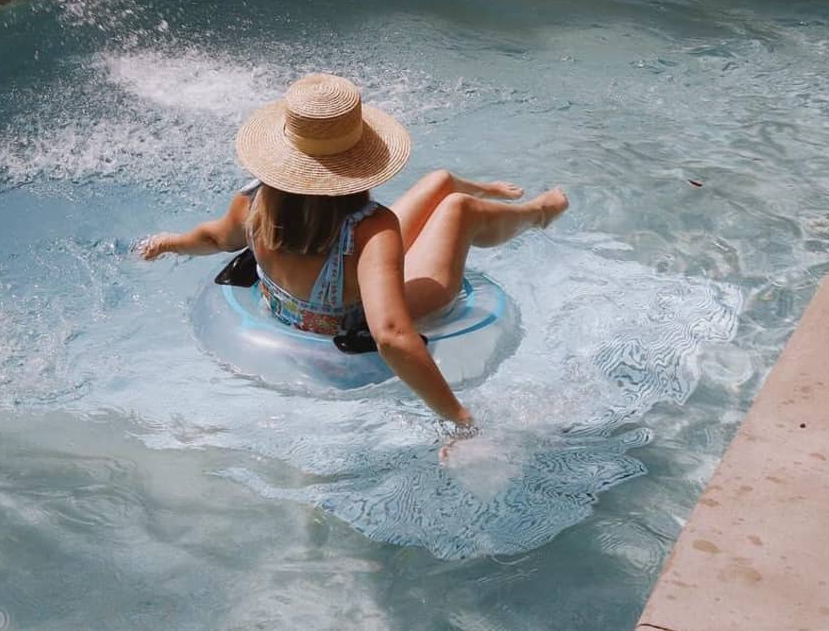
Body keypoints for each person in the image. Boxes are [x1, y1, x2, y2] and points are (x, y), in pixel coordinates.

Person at [139, 72, 568, 429]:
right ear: (360, 161)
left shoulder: (254, 201)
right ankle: (537, 213)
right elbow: (392, 334)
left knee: (438, 181)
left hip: (299, 301)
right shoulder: (371, 228)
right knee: (459, 211)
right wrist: (458, 416)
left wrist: (170, 242)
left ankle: (462, 184)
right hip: (348, 315)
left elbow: (215, 239)